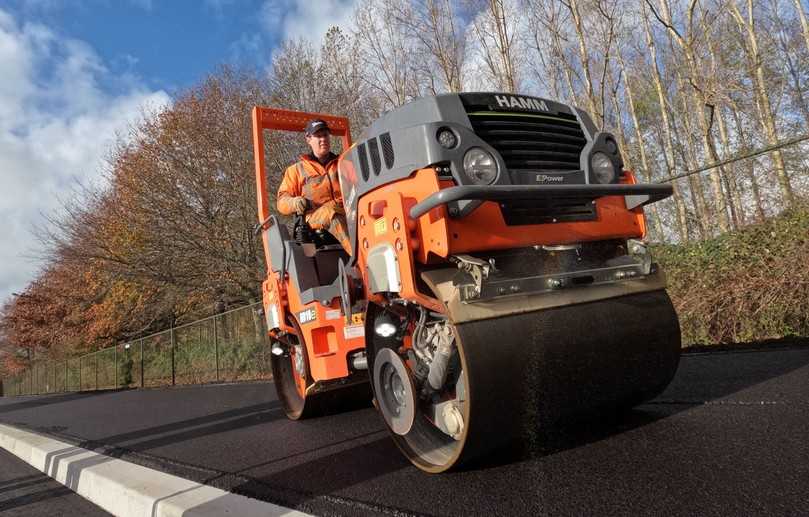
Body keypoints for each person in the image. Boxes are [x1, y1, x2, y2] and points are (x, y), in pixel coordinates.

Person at [277, 119, 351, 254]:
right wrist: (294, 202)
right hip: (315, 218)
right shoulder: (296, 170)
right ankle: (360, 261)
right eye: (318, 136)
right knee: (332, 212)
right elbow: (282, 201)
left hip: (345, 210)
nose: (323, 139)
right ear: (308, 139)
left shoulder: (343, 164)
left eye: (326, 135)